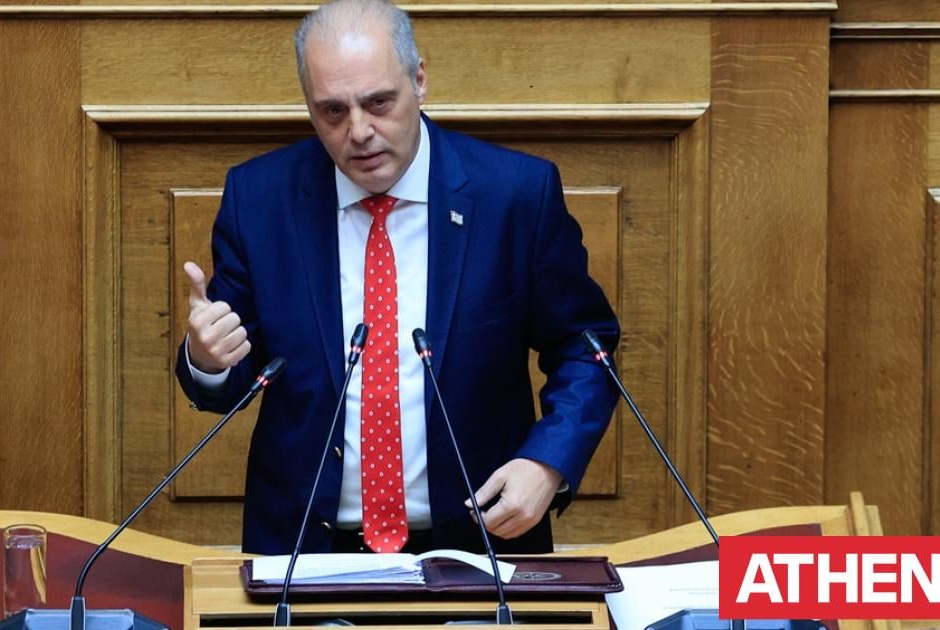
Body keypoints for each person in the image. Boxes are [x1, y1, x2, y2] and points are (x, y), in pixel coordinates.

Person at [175, 0, 619, 555]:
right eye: (332, 111)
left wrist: (546, 462)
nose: (359, 131)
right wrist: (209, 360)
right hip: (304, 554)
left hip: (479, 546)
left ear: (420, 80)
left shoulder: (515, 196)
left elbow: (585, 347)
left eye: (379, 102)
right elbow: (235, 373)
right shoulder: (261, 199)